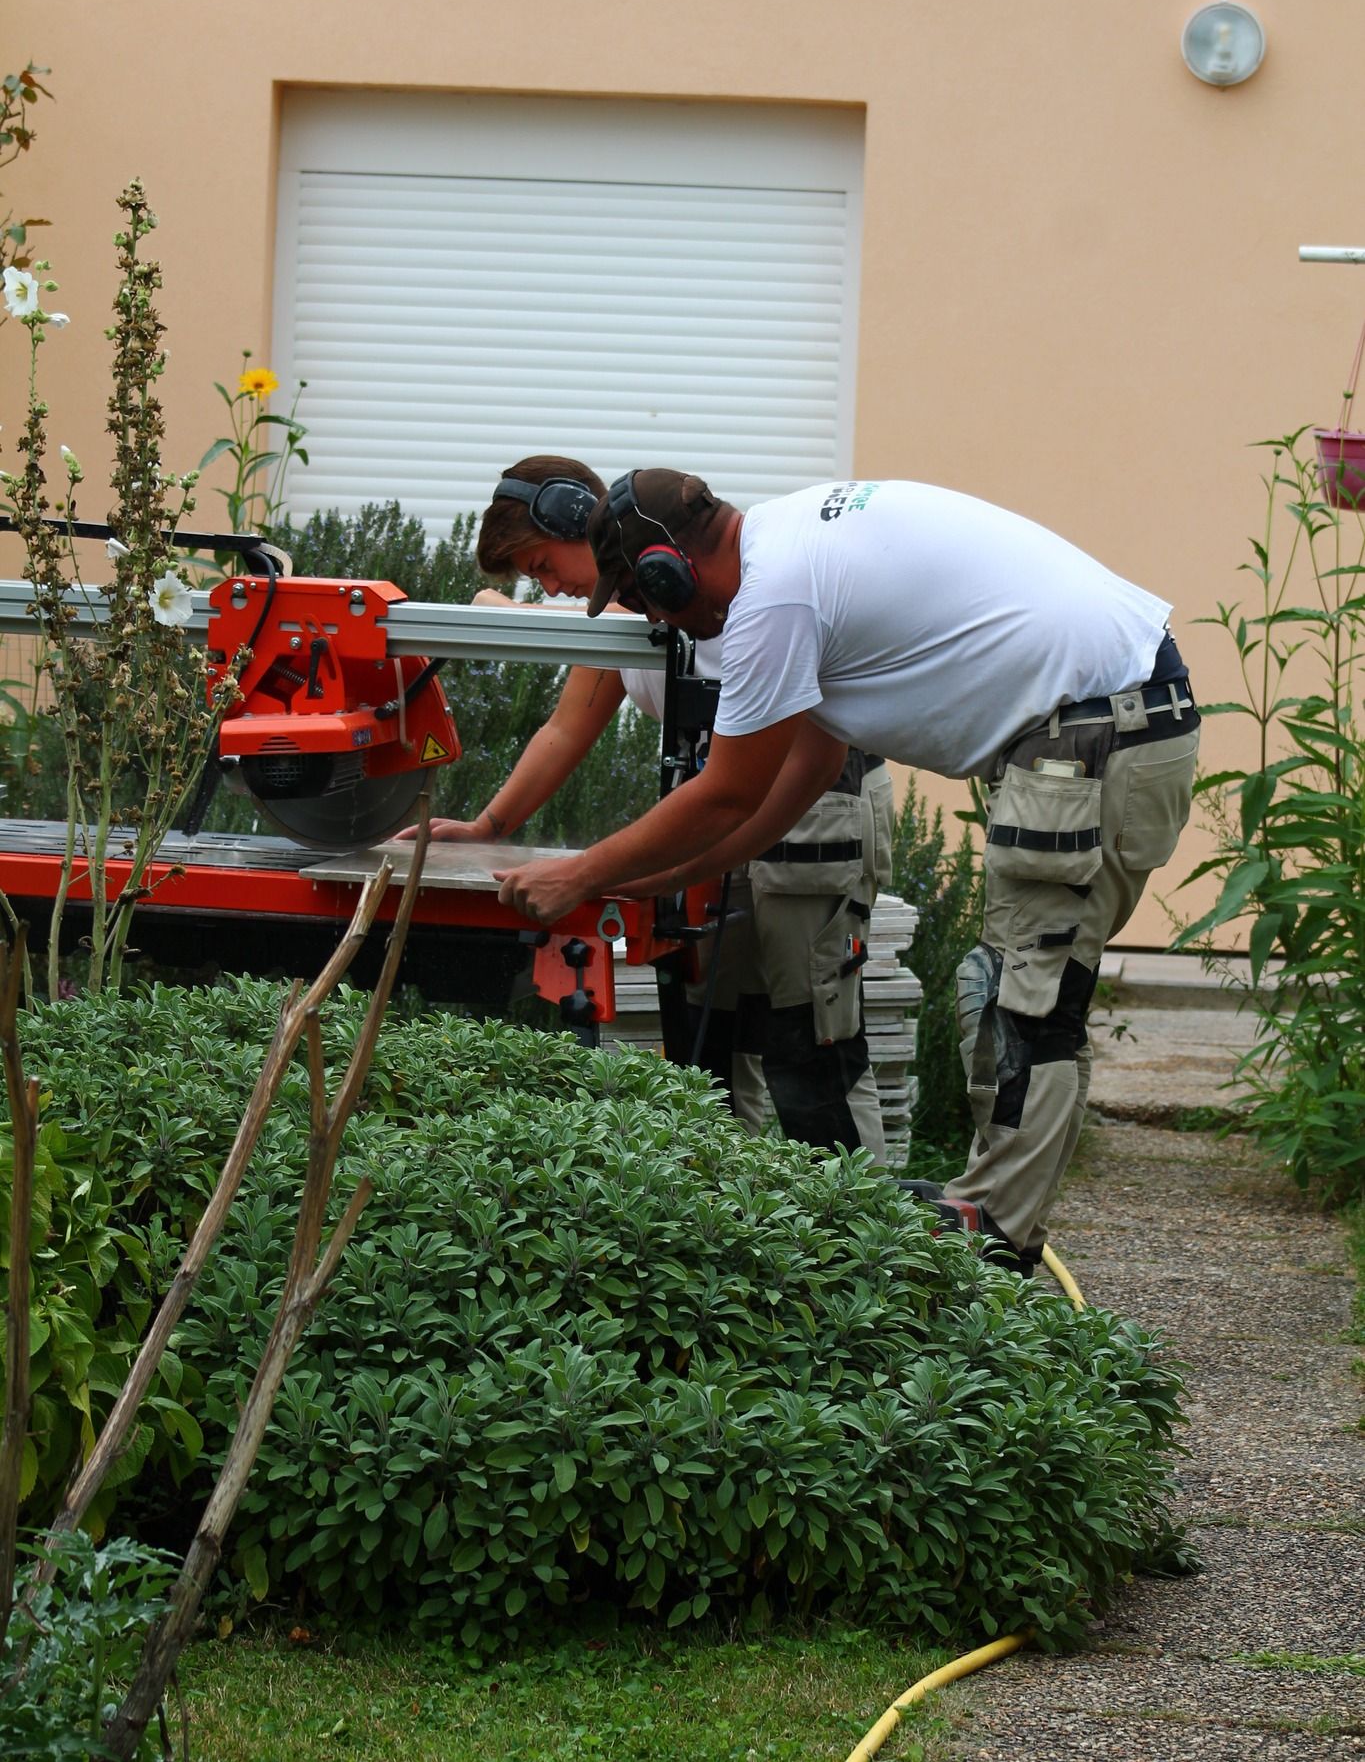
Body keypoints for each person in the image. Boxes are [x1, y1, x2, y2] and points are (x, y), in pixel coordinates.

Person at [496, 469, 1201, 1276]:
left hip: (1099, 725)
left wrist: (581, 876)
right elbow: (807, 765)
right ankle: (990, 1221)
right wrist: (675, 874)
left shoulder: (773, 599)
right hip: (1096, 718)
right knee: (1012, 987)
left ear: (668, 572)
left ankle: (993, 1245)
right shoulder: (786, 546)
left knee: (1026, 1001)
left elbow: (726, 792)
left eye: (643, 599)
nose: (654, 620)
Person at [421, 454, 895, 1160]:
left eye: (542, 564)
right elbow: (564, 731)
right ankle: (734, 1207)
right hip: (712, 804)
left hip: (814, 796)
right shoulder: (614, 614)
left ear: (578, 523)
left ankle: (857, 1221)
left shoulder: (686, 578)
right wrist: (489, 827)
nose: (548, 585)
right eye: (532, 581)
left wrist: (522, 615)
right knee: (708, 1040)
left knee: (810, 1037)